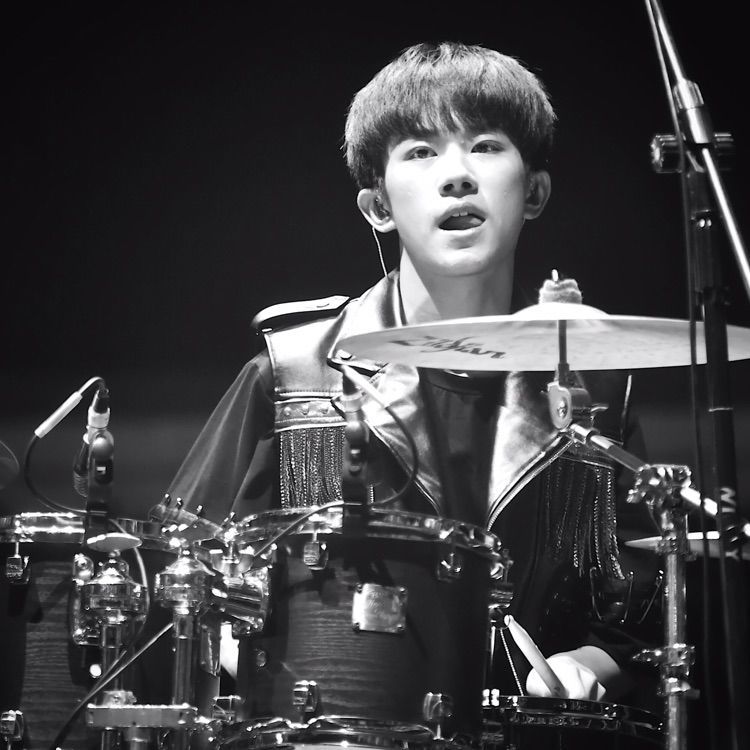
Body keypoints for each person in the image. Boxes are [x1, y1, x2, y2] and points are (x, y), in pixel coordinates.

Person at [167, 41, 661, 715]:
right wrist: (249, 653)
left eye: (485, 146)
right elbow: (181, 566)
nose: (457, 175)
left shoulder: (595, 392)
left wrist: (589, 664)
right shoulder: (296, 373)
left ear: (535, 192)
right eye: (422, 152)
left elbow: (644, 604)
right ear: (377, 206)